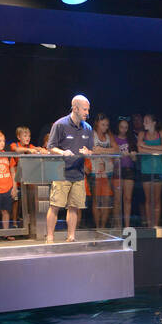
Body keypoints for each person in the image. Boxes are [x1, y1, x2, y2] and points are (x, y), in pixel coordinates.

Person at [44, 94, 95, 243]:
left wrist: (88, 153)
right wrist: (63, 152)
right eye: (85, 110)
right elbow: (50, 147)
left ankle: (71, 236)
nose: (87, 113)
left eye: (88, 110)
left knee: (74, 207)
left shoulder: (88, 128)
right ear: (75, 108)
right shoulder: (60, 124)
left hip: (78, 174)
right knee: (55, 206)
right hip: (61, 173)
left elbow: (91, 150)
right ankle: (50, 237)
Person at [88, 114, 117, 231]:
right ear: (97, 123)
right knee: (96, 200)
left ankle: (103, 227)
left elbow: (116, 149)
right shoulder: (92, 134)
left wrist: (102, 150)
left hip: (108, 171)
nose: (105, 127)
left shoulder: (109, 135)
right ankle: (97, 226)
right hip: (95, 171)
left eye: (107, 125)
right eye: (103, 124)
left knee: (106, 200)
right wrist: (102, 151)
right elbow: (92, 150)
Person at [137, 113, 162, 228]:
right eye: (144, 121)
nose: (144, 123)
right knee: (148, 199)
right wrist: (156, 150)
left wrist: (147, 147)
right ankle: (150, 224)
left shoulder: (161, 133)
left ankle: (156, 224)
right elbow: (140, 149)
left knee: (157, 199)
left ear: (154, 122)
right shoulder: (142, 134)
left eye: (147, 121)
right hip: (146, 170)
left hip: (158, 170)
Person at [112, 117, 137, 230]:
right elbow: (112, 155)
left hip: (129, 170)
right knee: (117, 200)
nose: (124, 129)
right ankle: (117, 225)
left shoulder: (131, 140)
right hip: (117, 170)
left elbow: (136, 159)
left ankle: (127, 225)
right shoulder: (114, 139)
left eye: (126, 127)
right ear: (118, 127)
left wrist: (132, 155)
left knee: (127, 199)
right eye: (122, 127)